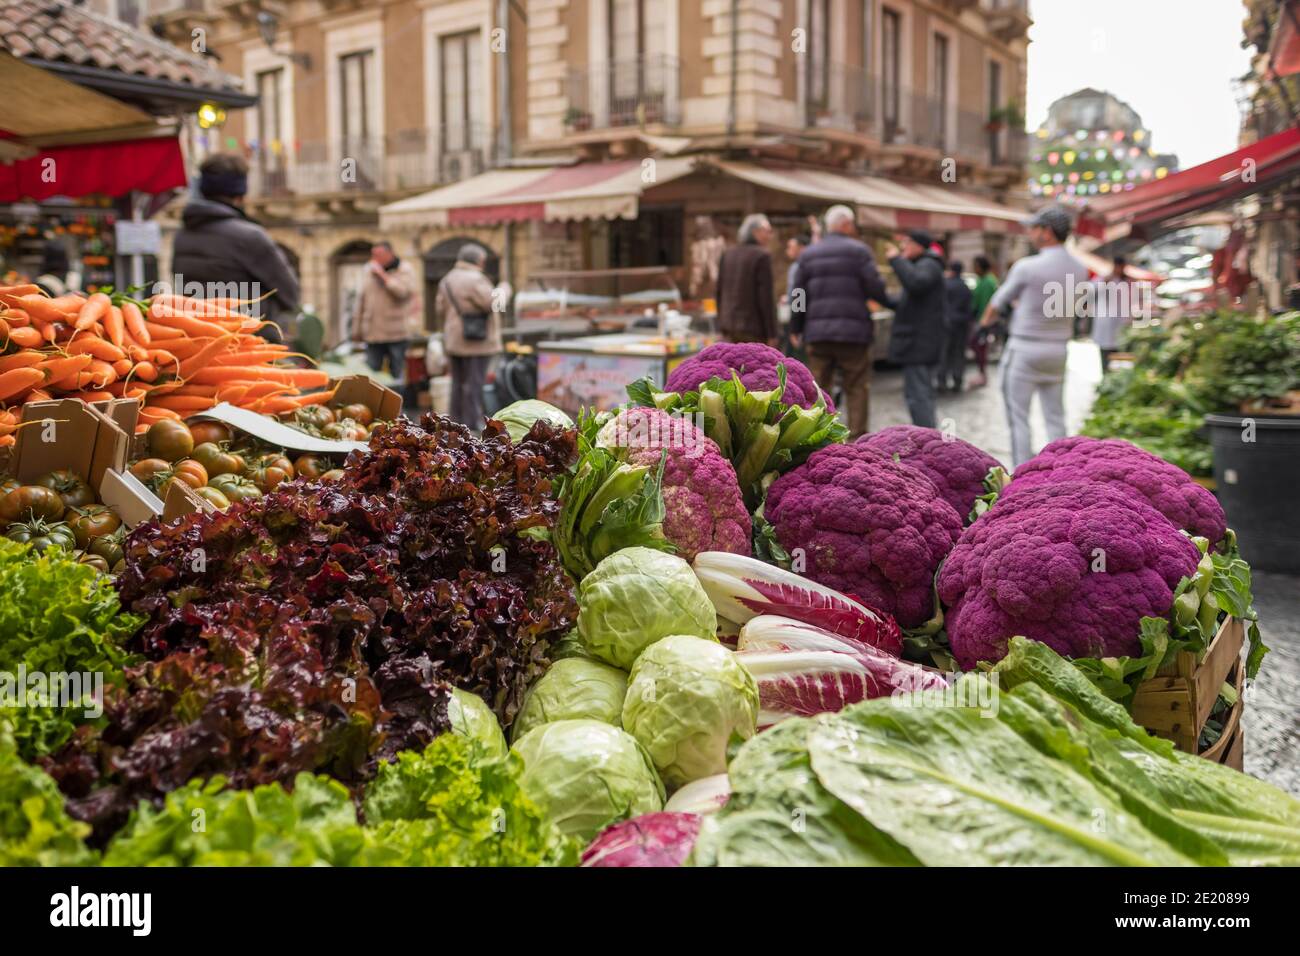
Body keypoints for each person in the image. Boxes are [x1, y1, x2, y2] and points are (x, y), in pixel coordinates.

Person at [979, 205, 1089, 467]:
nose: (1029, 232)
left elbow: (997, 302)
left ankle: (1021, 474)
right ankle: (1065, 470)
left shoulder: (1027, 266)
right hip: (1058, 349)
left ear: (1047, 232)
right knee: (1055, 416)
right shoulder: (1080, 269)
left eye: (1034, 228)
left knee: (1019, 418)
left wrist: (983, 324)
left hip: (1025, 348)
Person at [171, 153, 300, 340]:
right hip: (249, 343)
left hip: (199, 341)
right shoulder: (250, 236)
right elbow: (290, 294)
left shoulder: (182, 236)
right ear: (240, 194)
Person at [789, 204, 890, 437]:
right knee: (856, 388)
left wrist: (796, 326)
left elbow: (798, 294)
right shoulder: (860, 251)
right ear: (845, 224)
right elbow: (875, 288)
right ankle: (858, 441)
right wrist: (892, 302)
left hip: (818, 333)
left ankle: (817, 438)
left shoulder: (809, 254)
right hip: (854, 334)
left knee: (818, 390)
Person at [882, 229, 947, 428]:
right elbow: (903, 300)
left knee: (919, 395)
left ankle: (927, 441)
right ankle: (926, 438)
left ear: (919, 245)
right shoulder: (923, 265)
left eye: (906, 243)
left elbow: (916, 283)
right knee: (917, 394)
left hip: (920, 344)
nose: (902, 248)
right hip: (918, 343)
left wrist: (895, 260)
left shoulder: (928, 264)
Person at [436, 244, 503, 427]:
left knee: (457, 384)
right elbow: (496, 304)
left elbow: (439, 309)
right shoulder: (476, 279)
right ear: (479, 260)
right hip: (477, 341)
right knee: (475, 384)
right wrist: (504, 289)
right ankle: (472, 424)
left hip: (454, 339)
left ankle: (454, 424)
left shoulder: (447, 279)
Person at [353, 241, 421, 404]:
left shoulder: (405, 269)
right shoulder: (368, 271)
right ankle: (373, 407)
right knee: (370, 374)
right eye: (373, 255)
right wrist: (357, 330)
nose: (374, 259)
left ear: (389, 254)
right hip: (373, 333)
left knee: (396, 375)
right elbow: (361, 300)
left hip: (396, 333)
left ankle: (396, 410)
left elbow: (403, 292)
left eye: (378, 255)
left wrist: (383, 276)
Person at [716, 214, 777, 345]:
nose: (770, 236)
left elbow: (719, 292)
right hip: (753, 329)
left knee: (732, 365)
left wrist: (720, 325)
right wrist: (772, 333)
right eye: (768, 231)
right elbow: (766, 297)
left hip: (728, 326)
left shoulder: (728, 253)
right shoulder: (762, 256)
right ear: (756, 232)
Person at [1091, 255, 1135, 374]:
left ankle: (1117, 376)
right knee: (1105, 353)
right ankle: (1106, 375)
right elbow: (1091, 289)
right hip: (1105, 323)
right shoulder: (1103, 278)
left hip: (1121, 323)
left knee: (1120, 353)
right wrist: (1105, 281)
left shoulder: (1128, 281)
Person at [939, 259, 974, 392]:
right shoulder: (965, 287)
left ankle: (942, 379)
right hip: (961, 324)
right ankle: (957, 379)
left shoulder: (945, 285)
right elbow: (969, 308)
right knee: (958, 352)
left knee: (944, 352)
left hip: (946, 323)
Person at [968, 255, 999, 387]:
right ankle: (982, 373)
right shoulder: (985, 280)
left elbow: (985, 304)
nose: (974, 269)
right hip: (983, 320)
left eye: (975, 266)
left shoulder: (987, 282)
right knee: (979, 346)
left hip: (983, 321)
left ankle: (982, 374)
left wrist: (983, 322)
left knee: (979, 346)